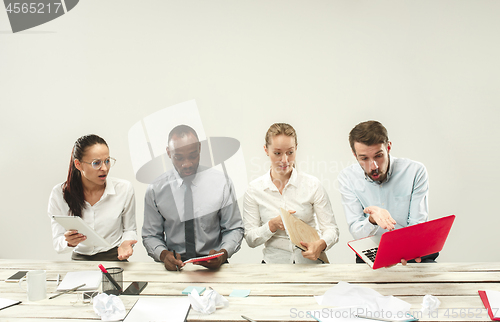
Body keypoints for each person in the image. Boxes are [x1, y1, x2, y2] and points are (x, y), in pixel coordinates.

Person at [142, 125, 244, 271]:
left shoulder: (221, 183)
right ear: (169, 153)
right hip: (174, 267)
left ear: (200, 149)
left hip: (214, 266)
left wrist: (222, 255)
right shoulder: (156, 189)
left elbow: (234, 228)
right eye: (179, 158)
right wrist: (163, 255)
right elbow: (150, 235)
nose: (187, 164)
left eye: (192, 156)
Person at [338, 120, 436, 264]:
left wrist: (402, 251)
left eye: (378, 156)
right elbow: (356, 231)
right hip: (373, 249)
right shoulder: (347, 178)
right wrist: (372, 220)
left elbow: (417, 224)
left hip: (409, 247)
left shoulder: (415, 171)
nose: (374, 166)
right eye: (364, 158)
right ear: (355, 155)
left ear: (388, 147)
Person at [243, 123, 339, 264]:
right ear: (266, 150)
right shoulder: (254, 190)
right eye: (277, 153)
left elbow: (331, 230)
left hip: (311, 265)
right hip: (273, 266)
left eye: (290, 152)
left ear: (296, 148)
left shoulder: (313, 185)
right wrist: (272, 225)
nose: (285, 160)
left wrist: (321, 244)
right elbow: (250, 239)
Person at [48, 134, 138, 261]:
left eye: (107, 161)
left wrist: (126, 243)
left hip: (115, 258)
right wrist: (68, 242)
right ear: (78, 164)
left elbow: (130, 229)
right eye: (96, 163)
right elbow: (58, 243)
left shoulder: (124, 189)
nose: (104, 168)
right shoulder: (60, 193)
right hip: (79, 260)